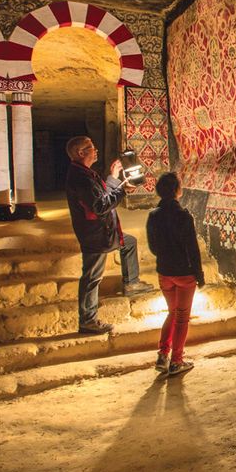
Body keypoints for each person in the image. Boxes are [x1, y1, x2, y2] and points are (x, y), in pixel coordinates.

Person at [64, 136, 154, 335]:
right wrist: (123, 190)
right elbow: (100, 205)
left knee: (128, 242)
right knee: (92, 277)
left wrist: (114, 178)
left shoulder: (85, 173)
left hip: (103, 230)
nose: (95, 150)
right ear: (81, 152)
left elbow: (102, 196)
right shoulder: (81, 178)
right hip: (95, 234)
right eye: (91, 147)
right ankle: (88, 320)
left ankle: (131, 283)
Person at [146, 173, 204, 376]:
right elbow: (192, 249)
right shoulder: (184, 216)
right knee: (181, 318)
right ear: (177, 191)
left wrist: (166, 256)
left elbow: (153, 247)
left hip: (165, 272)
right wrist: (199, 274)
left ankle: (163, 355)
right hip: (184, 273)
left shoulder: (154, 215)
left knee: (172, 312)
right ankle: (177, 361)